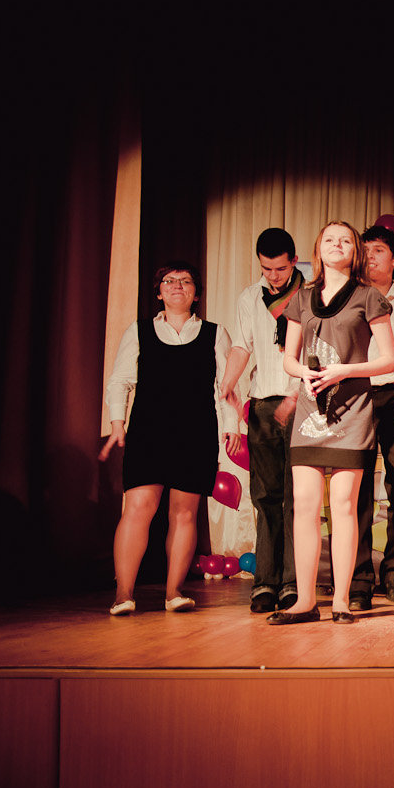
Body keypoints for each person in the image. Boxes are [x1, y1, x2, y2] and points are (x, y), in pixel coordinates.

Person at [270, 222, 394, 625]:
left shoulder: (369, 297)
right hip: (311, 412)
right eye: (329, 239)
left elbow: (389, 360)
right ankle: (305, 601)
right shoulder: (301, 298)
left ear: (355, 250)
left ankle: (341, 600)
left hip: (353, 410)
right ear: (318, 249)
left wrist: (344, 370)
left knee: (343, 507)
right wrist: (303, 373)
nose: (337, 244)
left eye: (345, 240)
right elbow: (289, 358)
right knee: (305, 507)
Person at [100, 262, 235, 615]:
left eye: (185, 281)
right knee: (138, 509)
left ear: (196, 293)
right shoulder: (139, 330)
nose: (177, 286)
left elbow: (226, 388)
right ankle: (123, 594)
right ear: (159, 292)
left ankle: (174, 592)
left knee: (184, 514)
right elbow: (120, 381)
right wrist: (118, 424)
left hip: (195, 432)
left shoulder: (215, 333)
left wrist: (231, 427)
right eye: (169, 281)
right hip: (148, 431)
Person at [221, 228, 306, 614]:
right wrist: (228, 382)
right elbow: (243, 345)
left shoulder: (309, 294)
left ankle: (293, 583)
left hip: (301, 404)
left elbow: (317, 351)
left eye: (280, 269)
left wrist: (295, 395)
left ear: (294, 261)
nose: (273, 276)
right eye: (266, 269)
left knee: (296, 498)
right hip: (262, 405)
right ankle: (266, 582)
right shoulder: (249, 296)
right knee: (265, 496)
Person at [351, 224, 394, 608]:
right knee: (355, 490)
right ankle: (359, 579)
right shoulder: (350, 298)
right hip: (356, 396)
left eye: (378, 250)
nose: (370, 257)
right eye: (365, 250)